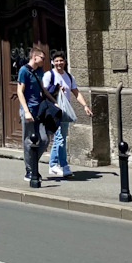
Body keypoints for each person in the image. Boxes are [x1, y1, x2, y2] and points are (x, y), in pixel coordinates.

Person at [42, 50, 92, 178]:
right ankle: (53, 165)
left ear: (65, 62)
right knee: (59, 138)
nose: (59, 63)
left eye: (61, 60)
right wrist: (56, 89)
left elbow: (76, 92)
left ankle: (63, 165)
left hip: (65, 111)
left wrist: (85, 106)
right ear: (52, 62)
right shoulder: (49, 75)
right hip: (54, 111)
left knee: (62, 139)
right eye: (56, 61)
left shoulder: (69, 77)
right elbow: (43, 92)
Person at [16, 45, 48, 181]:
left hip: (39, 109)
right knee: (28, 140)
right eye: (42, 58)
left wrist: (54, 101)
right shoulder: (23, 71)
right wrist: (26, 111)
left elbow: (43, 89)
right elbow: (19, 91)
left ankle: (33, 164)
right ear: (35, 57)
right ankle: (29, 170)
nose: (44, 60)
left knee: (44, 139)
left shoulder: (40, 70)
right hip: (28, 109)